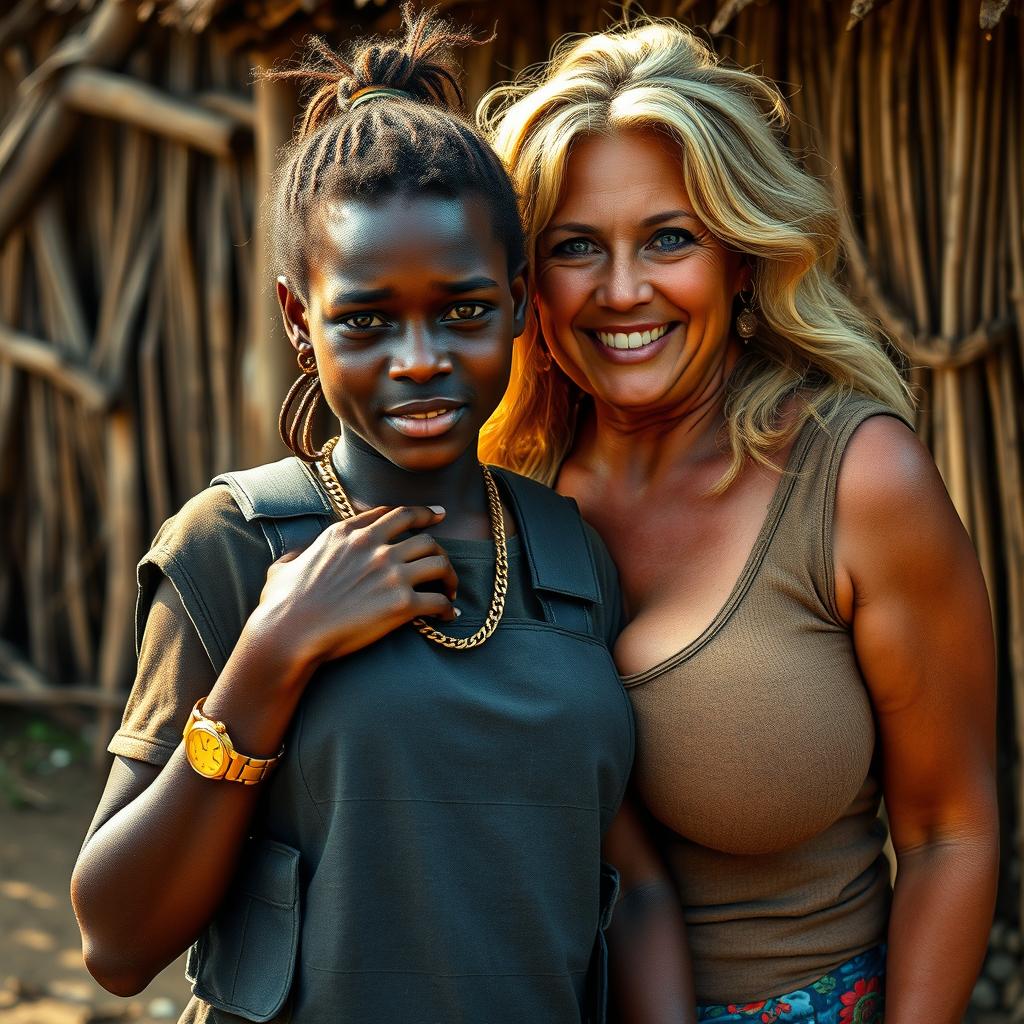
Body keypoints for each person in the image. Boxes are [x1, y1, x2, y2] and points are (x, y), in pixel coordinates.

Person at [70, 10, 635, 1022]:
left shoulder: (570, 557)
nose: (418, 359)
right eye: (367, 320)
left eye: (463, 310)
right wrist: (270, 657)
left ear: (517, 302)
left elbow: (628, 887)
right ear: (301, 320)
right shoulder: (234, 546)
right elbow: (116, 942)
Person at [479, 19, 998, 1024]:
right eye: (576, 246)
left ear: (742, 258)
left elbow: (951, 832)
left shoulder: (856, 482)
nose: (622, 290)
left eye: (669, 238)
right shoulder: (499, 487)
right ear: (526, 284)